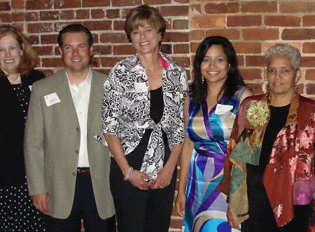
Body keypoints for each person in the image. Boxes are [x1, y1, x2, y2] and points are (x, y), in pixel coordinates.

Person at [102, 4, 188, 232]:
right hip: (128, 162)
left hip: (164, 164)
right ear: (130, 37)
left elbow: (179, 128)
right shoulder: (120, 72)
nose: (143, 36)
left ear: (160, 34)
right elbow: (109, 128)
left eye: (148, 30)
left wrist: (170, 168)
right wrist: (128, 172)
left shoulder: (177, 73)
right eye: (136, 31)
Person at [24, 24, 115, 232]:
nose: (75, 53)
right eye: (68, 47)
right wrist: (38, 188)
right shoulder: (42, 89)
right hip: (58, 187)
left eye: (81, 46)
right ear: (60, 51)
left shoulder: (110, 86)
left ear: (91, 50)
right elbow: (33, 144)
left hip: (100, 185)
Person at [218, 43, 315, 232]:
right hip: (255, 205)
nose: (277, 76)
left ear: (297, 75)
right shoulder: (252, 107)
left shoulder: (309, 111)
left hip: (295, 208)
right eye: (272, 70)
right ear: (266, 75)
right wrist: (234, 203)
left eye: (285, 70)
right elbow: (236, 157)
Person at [175, 36, 252, 232]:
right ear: (199, 64)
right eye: (206, 59)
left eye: (219, 59)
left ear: (229, 64)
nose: (212, 65)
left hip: (228, 182)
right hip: (197, 182)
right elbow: (188, 145)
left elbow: (248, 153)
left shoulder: (244, 97)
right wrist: (181, 190)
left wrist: (238, 194)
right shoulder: (190, 99)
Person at [0, 25, 46, 231]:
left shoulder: (37, 80)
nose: (8, 55)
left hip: (37, 177)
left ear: (22, 50)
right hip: (5, 181)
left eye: (12, 48)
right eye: (1, 49)